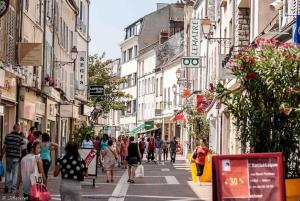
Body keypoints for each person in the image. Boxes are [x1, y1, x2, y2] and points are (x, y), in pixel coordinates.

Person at [0, 124, 24, 193]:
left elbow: (4, 147)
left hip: (8, 156)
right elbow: (22, 149)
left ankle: (6, 186)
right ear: (17, 129)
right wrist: (22, 157)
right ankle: (13, 189)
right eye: (19, 128)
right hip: (16, 157)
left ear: (13, 128)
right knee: (15, 173)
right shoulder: (19, 138)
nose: (19, 130)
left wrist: (1, 156)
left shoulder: (8, 136)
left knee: (8, 172)